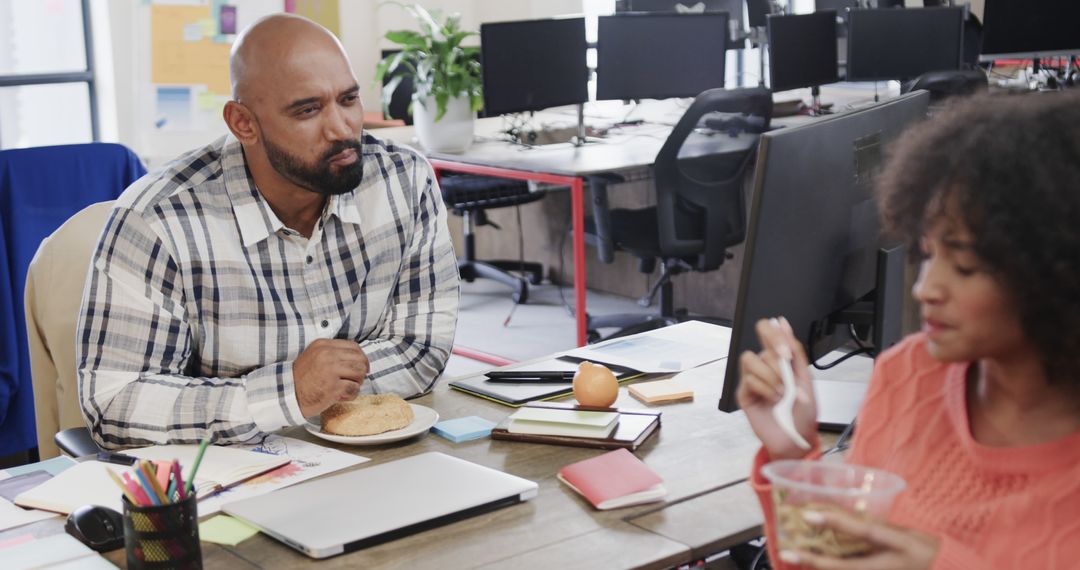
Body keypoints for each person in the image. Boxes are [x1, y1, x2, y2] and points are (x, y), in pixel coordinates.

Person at [76, 14, 459, 448]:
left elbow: (421, 346)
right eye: (308, 110)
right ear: (243, 123)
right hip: (226, 476)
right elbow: (115, 402)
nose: (342, 129)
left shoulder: (403, 181)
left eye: (348, 99)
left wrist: (322, 395)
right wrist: (287, 394)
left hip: (375, 456)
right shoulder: (157, 220)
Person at [739, 91, 1080, 569]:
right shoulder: (910, 373)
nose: (925, 288)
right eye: (927, 252)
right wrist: (791, 453)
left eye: (963, 264)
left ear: (1057, 275)